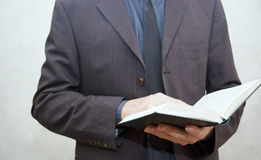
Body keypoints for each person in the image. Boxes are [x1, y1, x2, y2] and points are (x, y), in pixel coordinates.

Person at [31, 0, 244, 159]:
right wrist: (122, 110)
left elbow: (228, 90)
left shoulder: (207, 4)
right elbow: (49, 101)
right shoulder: (72, 6)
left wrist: (209, 132)